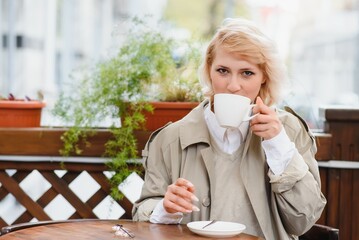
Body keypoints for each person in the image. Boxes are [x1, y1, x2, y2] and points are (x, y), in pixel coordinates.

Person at [132, 18, 326, 240]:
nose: (233, 86)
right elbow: (142, 215)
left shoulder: (289, 131)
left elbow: (304, 220)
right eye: (223, 71)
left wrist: (277, 143)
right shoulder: (170, 139)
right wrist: (165, 208)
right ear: (209, 71)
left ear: (264, 77)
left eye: (247, 73)